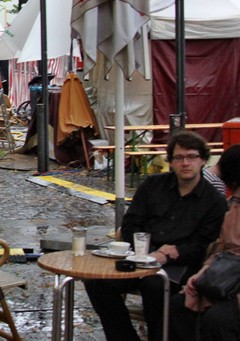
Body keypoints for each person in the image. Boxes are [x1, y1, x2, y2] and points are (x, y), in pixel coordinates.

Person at [84, 130, 227, 341]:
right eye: (179, 158)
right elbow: (131, 223)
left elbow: (203, 244)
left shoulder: (214, 200)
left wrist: (169, 254)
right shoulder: (153, 185)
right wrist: (147, 249)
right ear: (171, 161)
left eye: (191, 157)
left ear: (203, 160)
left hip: (181, 264)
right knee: (96, 281)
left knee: (155, 286)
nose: (185, 163)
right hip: (141, 255)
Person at [169, 145, 240, 341]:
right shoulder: (232, 206)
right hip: (225, 276)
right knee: (178, 304)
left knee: (217, 319)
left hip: (233, 284)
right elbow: (220, 248)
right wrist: (201, 274)